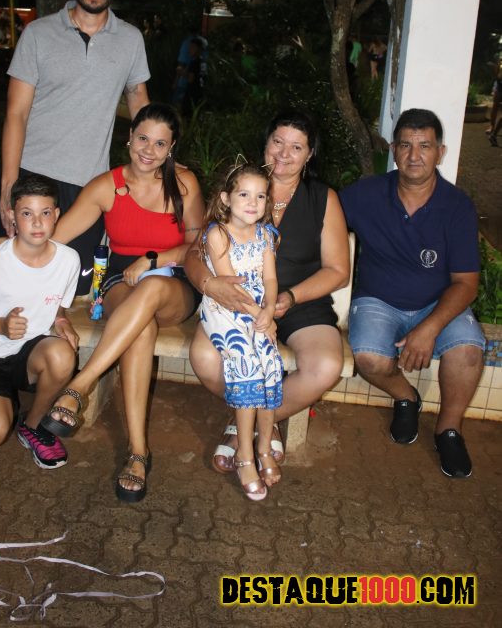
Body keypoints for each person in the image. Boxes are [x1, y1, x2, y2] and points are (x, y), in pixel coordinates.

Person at [39, 103, 204, 503]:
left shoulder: (184, 184)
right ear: (129, 137)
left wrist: (154, 260)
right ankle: (137, 453)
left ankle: (79, 385)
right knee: (140, 330)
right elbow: (54, 239)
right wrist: (8, 247)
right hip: (120, 280)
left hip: (173, 282)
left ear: (171, 148)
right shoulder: (105, 187)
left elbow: (198, 244)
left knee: (151, 290)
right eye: (142, 138)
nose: (149, 150)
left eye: (160, 143)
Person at [0, 0, 150, 294]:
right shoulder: (38, 34)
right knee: (0, 282)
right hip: (29, 176)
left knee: (68, 293)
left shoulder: (131, 39)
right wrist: (9, 185)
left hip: (88, 188)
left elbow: (140, 106)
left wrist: (157, 167)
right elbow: (16, 113)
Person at [185, 109, 350, 469]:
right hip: (238, 302)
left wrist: (290, 297)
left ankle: (249, 426)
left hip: (300, 301)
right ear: (265, 144)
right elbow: (194, 254)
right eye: (278, 142)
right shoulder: (241, 187)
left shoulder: (323, 198)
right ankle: (258, 424)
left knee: (325, 366)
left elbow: (338, 271)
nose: (284, 153)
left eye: (297, 147)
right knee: (205, 358)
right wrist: (211, 285)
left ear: (309, 155)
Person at [339, 108, 485, 478]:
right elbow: (320, 215)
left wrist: (429, 328)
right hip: (377, 299)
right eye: (405, 145)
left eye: (425, 146)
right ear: (394, 150)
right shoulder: (366, 194)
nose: (414, 155)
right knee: (369, 358)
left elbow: (466, 283)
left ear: (440, 152)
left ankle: (448, 429)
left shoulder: (456, 206)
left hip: (439, 301)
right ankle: (406, 397)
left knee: (468, 352)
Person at [0, 174, 80, 469]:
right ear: (12, 216)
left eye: (46, 213)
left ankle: (33, 426)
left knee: (62, 354)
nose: (37, 223)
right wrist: (0, 326)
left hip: (28, 353)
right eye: (27, 214)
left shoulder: (69, 260)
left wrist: (62, 320)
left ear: (57, 214)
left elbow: (57, 305)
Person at [201, 162, 283, 501]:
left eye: (260, 196)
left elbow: (270, 279)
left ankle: (264, 446)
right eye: (244, 194)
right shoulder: (218, 234)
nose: (253, 202)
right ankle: (244, 456)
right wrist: (261, 316)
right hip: (225, 310)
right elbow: (232, 291)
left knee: (271, 364)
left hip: (258, 310)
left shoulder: (265, 235)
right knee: (247, 363)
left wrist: (269, 310)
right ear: (226, 198)